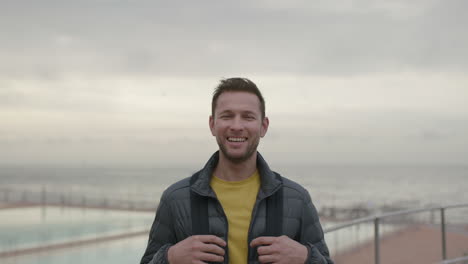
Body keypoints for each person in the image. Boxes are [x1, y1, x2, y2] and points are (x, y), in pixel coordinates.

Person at [140, 78, 333, 264]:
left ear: (263, 126)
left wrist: (306, 258)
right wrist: (170, 258)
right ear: (212, 124)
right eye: (227, 116)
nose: (237, 126)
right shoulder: (175, 198)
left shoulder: (297, 199)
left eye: (248, 117)